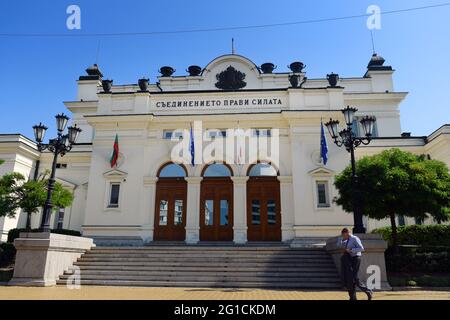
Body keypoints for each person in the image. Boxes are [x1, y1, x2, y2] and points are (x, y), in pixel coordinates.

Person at [337, 228, 373, 301]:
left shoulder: (354, 238)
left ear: (347, 233)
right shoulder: (345, 240)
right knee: (349, 277)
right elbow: (338, 245)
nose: (343, 237)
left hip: (356, 258)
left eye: (344, 235)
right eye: (342, 235)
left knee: (354, 277)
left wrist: (351, 250)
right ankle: (352, 297)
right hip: (349, 259)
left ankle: (367, 291)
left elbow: (361, 248)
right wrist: (340, 239)